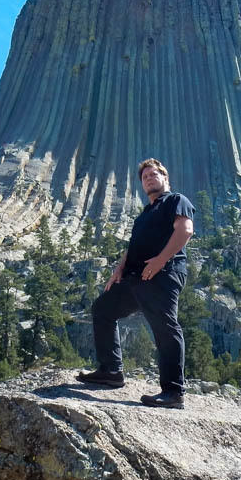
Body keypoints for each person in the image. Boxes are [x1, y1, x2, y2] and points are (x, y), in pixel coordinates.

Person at [77, 158, 195, 408]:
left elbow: (185, 230)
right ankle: (111, 372)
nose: (149, 178)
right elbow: (133, 246)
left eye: (154, 174)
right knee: (103, 310)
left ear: (165, 178)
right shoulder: (144, 214)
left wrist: (161, 261)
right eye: (145, 177)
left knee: (165, 327)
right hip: (135, 277)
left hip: (163, 274)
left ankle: (173, 392)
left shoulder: (176, 200)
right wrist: (118, 269)